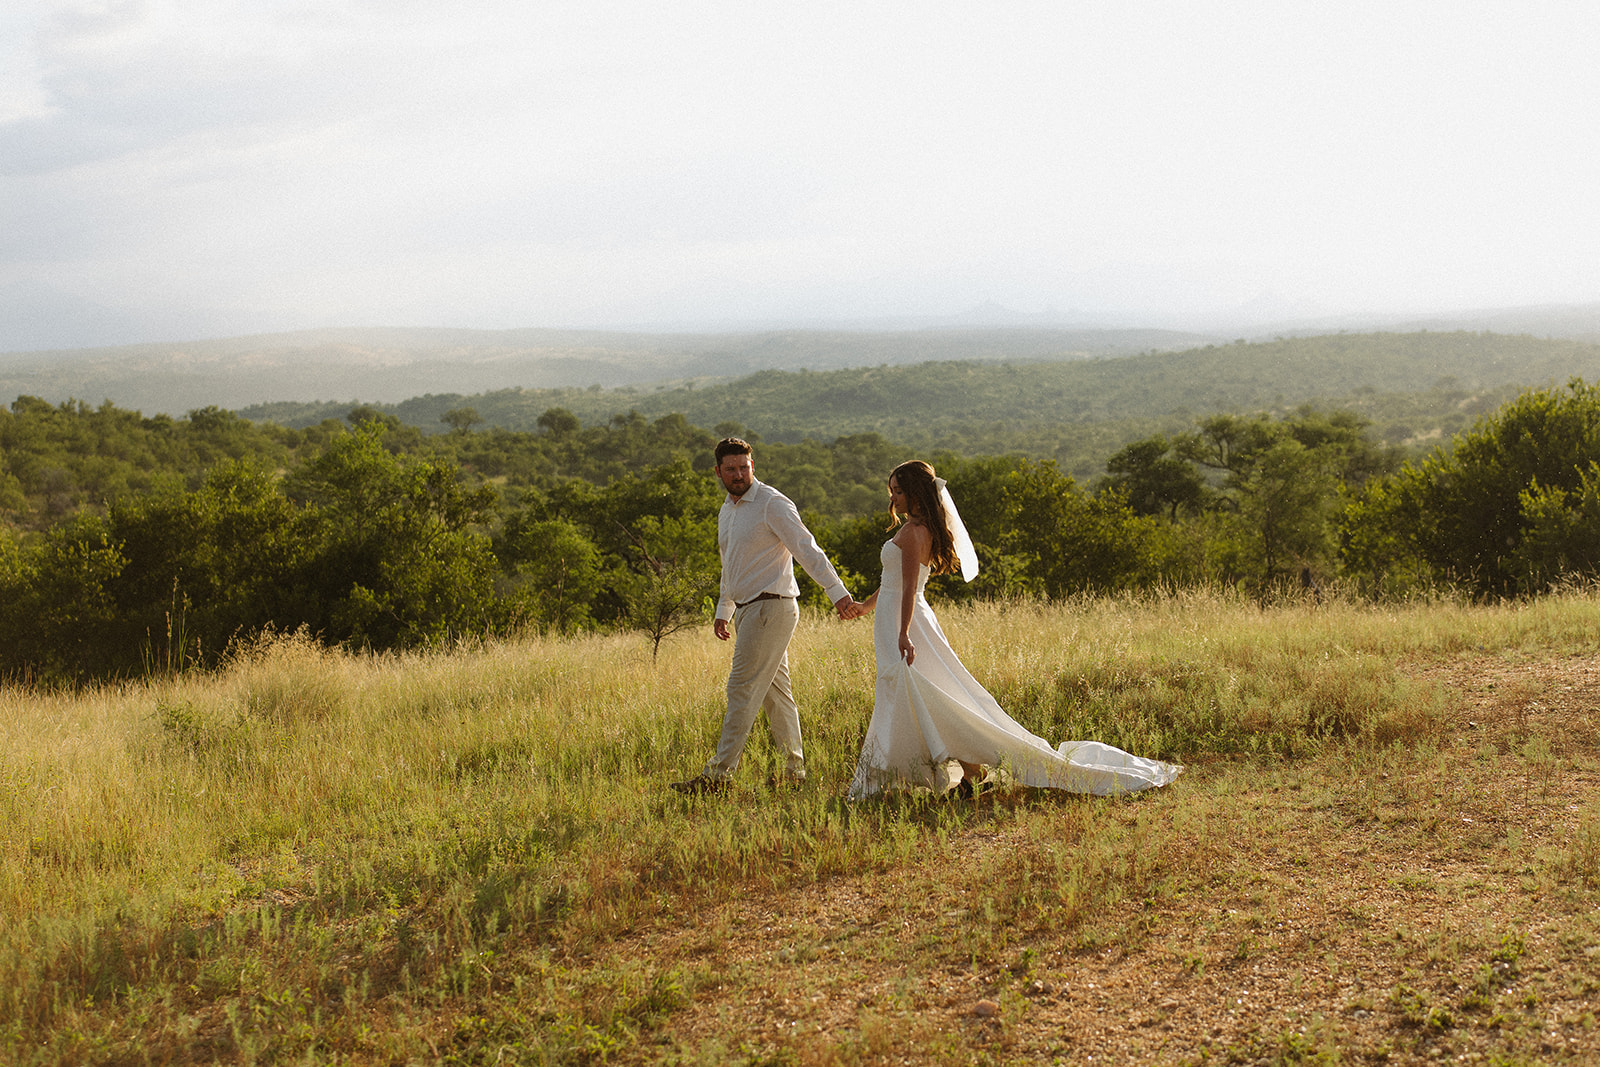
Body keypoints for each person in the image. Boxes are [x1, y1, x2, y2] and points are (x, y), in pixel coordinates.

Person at [847, 460, 1183, 800]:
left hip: (905, 621)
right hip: (901, 616)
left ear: (917, 492)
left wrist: (903, 633)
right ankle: (971, 772)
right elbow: (891, 584)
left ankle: (953, 771)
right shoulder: (917, 529)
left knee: (929, 693)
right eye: (892, 491)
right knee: (933, 693)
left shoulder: (913, 533)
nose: (894, 498)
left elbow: (907, 588)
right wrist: (866, 605)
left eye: (900, 491)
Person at [672, 437, 861, 795]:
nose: (739, 474)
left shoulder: (772, 503)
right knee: (777, 695)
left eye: (744, 467)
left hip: (771, 606)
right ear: (718, 472)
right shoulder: (727, 511)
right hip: (747, 611)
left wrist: (838, 594)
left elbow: (807, 548)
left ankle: (718, 777)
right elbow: (731, 566)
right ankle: (793, 772)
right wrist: (723, 610)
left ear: (752, 467)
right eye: (731, 469)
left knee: (740, 690)